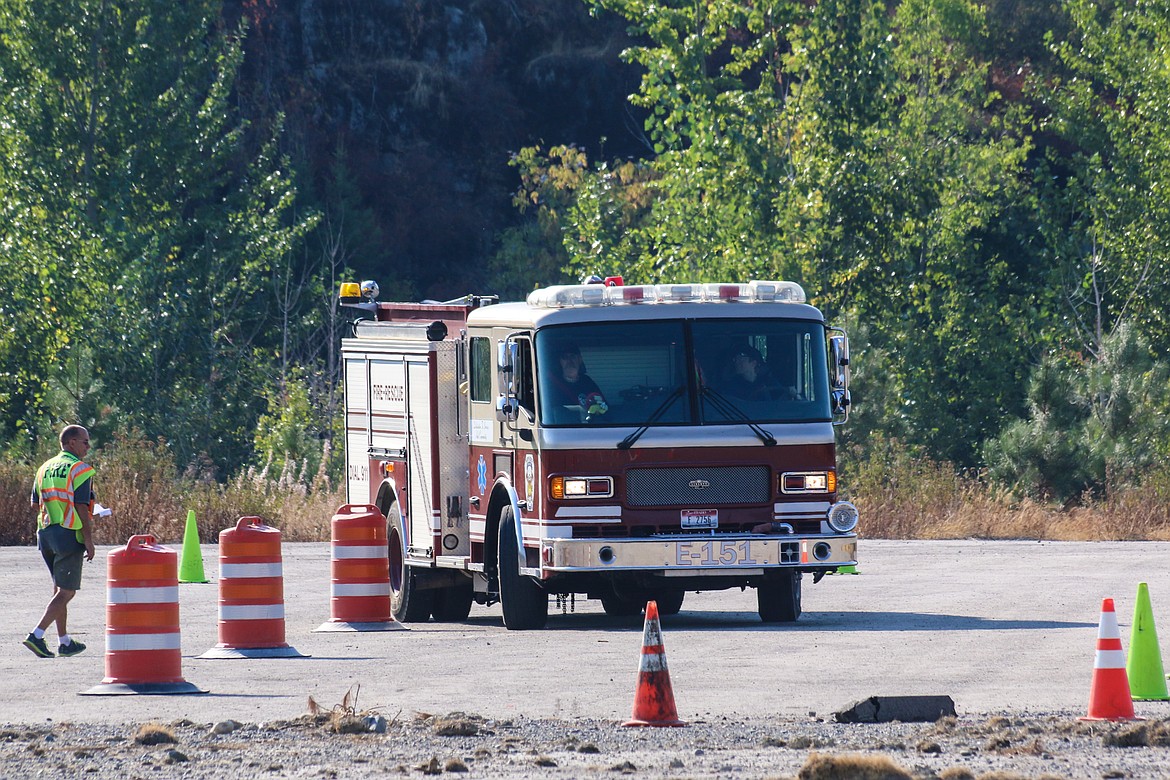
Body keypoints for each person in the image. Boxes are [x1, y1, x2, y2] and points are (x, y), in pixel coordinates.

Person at [24, 425, 96, 658]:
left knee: (58, 589)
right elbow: (81, 507)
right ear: (72, 442)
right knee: (67, 591)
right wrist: (89, 540)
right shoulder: (80, 469)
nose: (88, 446)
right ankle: (36, 635)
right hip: (68, 532)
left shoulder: (43, 468)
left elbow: (35, 504)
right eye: (85, 442)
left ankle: (64, 641)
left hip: (45, 532)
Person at [548, 343, 607, 416]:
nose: (569, 361)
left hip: (587, 425)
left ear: (580, 360)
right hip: (561, 426)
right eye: (565, 357)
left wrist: (599, 409)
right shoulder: (550, 385)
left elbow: (603, 407)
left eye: (573, 356)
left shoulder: (587, 382)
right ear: (560, 361)